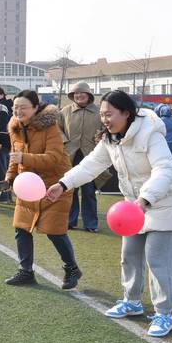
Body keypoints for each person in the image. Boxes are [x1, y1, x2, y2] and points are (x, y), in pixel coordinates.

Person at [47, 90, 172, 337]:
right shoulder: (109, 139)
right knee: (129, 255)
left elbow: (165, 169)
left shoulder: (150, 134)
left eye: (109, 114)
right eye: (102, 114)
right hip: (134, 207)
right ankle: (132, 301)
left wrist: (145, 198)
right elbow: (90, 165)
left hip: (164, 204)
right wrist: (63, 184)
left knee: (158, 260)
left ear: (126, 113)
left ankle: (163, 313)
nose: (105, 119)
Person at [0, 90, 82, 290]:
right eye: (15, 107)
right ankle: (25, 271)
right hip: (27, 185)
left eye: (23, 107)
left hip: (55, 185)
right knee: (21, 228)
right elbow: (14, 157)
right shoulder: (15, 128)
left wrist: (24, 159)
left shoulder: (50, 127)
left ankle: (72, 269)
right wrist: (9, 178)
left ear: (36, 108)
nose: (18, 111)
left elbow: (54, 158)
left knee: (54, 231)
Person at [59, 81, 101, 233]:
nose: (78, 96)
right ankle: (70, 221)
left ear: (89, 95)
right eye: (75, 93)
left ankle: (91, 223)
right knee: (70, 189)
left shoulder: (98, 112)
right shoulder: (65, 111)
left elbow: (105, 129)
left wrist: (101, 137)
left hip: (91, 156)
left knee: (89, 192)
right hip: (70, 156)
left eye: (82, 93)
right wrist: (65, 142)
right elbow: (58, 129)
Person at [0, 88, 12, 203]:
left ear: (2, 94)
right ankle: (7, 195)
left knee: (2, 170)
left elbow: (1, 126)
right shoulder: (5, 105)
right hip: (7, 142)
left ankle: (4, 195)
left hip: (2, 143)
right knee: (6, 169)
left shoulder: (0, 106)